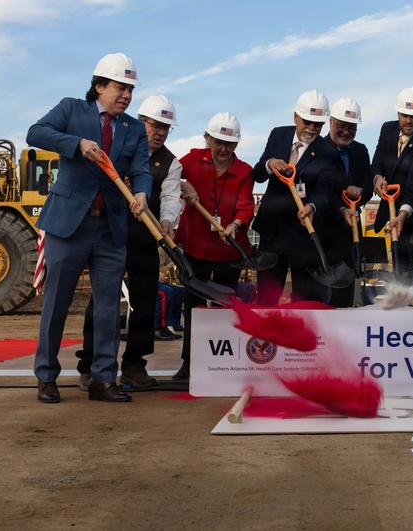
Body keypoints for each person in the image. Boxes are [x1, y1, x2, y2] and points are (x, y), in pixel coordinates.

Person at [27, 52, 151, 403]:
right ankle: (47, 377)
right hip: (68, 225)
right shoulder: (71, 109)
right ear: (99, 86)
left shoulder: (134, 128)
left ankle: (102, 380)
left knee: (110, 309)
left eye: (130, 89)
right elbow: (36, 133)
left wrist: (141, 193)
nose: (126, 95)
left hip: (111, 228)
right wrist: (76, 144)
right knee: (57, 305)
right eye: (120, 87)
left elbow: (141, 169)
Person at [75, 94, 183, 391]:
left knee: (145, 303)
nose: (160, 132)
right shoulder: (116, 147)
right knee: (101, 303)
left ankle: (134, 365)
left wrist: (167, 222)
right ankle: (88, 365)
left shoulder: (170, 162)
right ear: (140, 122)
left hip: (144, 238)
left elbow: (172, 196)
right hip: (108, 235)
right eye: (155, 125)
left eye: (165, 128)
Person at [174, 112, 255, 382]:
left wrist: (235, 224)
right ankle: (189, 364)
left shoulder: (244, 171)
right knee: (193, 306)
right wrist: (183, 184)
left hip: (228, 250)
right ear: (208, 138)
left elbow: (245, 205)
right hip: (196, 246)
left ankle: (224, 365)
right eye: (218, 142)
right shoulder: (193, 158)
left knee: (225, 307)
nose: (223, 149)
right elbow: (169, 175)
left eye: (229, 144)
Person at [252, 90, 339, 305]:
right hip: (272, 233)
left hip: (303, 236)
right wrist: (270, 164)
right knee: (266, 297)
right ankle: (263, 338)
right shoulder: (278, 135)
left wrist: (312, 206)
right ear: (295, 117)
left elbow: (324, 194)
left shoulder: (329, 155)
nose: (312, 128)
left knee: (304, 299)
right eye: (307, 122)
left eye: (317, 124)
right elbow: (258, 174)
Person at [371, 87, 413, 277]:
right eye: (404, 115)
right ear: (398, 113)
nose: (408, 120)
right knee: (398, 270)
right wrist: (377, 177)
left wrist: (402, 214)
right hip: (391, 216)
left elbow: (411, 187)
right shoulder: (387, 129)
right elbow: (377, 163)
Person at [321, 98, 373, 307]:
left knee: (346, 288)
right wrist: (341, 207)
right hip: (324, 229)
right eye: (341, 126)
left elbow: (368, 186)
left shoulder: (361, 151)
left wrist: (360, 191)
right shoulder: (319, 149)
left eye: (351, 127)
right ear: (331, 122)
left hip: (349, 233)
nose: (346, 131)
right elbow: (320, 190)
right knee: (323, 292)